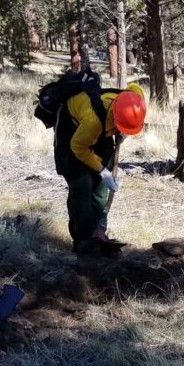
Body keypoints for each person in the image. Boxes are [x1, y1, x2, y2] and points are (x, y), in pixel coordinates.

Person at [53, 81, 147, 254]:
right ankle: (83, 240)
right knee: (82, 185)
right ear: (116, 116)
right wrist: (102, 170)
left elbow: (134, 86)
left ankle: (98, 232)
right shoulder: (92, 120)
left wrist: (123, 132)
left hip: (105, 129)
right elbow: (78, 148)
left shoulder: (134, 101)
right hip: (73, 133)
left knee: (101, 188)